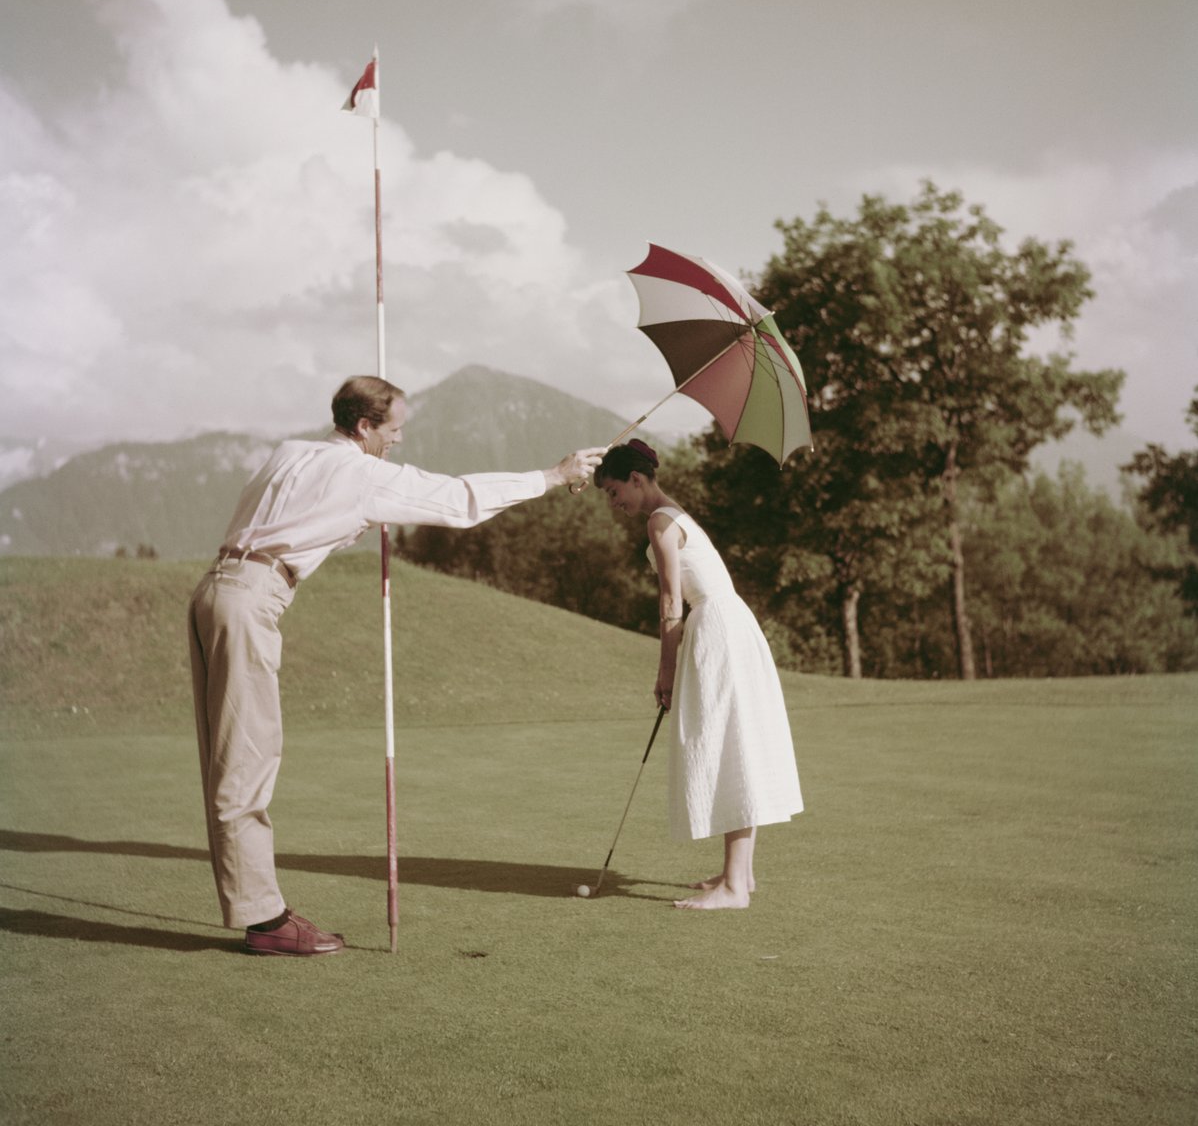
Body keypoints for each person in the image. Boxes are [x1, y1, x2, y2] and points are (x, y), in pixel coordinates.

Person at [187, 375, 605, 955]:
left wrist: (354, 522)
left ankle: (259, 913)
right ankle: (266, 922)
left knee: (231, 758)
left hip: (215, 588)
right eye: (394, 429)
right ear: (364, 426)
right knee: (247, 759)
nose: (399, 440)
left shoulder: (290, 451)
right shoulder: (362, 473)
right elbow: (458, 500)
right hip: (253, 598)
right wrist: (553, 477)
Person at [594, 440, 803, 910]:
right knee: (733, 738)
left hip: (717, 629)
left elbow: (670, 602)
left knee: (728, 742)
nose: (614, 503)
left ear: (637, 479)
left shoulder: (658, 521)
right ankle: (740, 875)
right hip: (725, 623)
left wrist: (665, 671)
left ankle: (733, 887)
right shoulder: (674, 514)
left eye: (613, 491)